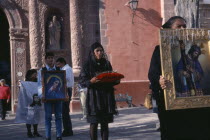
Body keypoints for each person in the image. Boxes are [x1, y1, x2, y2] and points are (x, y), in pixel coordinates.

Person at [148, 16, 210, 140]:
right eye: (178, 26)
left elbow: (202, 72)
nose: (182, 29)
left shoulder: (198, 52)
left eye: (184, 26)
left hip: (197, 106)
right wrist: (160, 81)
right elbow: (153, 74)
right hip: (174, 105)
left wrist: (195, 73)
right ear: (169, 29)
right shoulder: (160, 50)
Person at [79, 42, 119, 140]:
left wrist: (115, 80)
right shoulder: (87, 65)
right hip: (94, 97)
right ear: (93, 52)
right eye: (97, 51)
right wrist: (90, 81)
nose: (100, 53)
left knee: (105, 123)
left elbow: (110, 78)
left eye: (101, 50)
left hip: (106, 96)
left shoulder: (106, 63)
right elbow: (82, 81)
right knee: (94, 123)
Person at [38, 52, 63, 140]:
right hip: (47, 97)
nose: (50, 59)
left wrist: (65, 94)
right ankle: (48, 136)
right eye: (48, 58)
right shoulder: (42, 71)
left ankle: (59, 135)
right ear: (45, 59)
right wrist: (42, 96)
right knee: (48, 117)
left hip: (58, 96)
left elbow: (63, 83)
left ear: (54, 59)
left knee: (59, 116)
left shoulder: (59, 70)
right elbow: (39, 85)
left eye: (52, 58)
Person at [56, 57, 74, 137]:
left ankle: (68, 130)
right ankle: (67, 129)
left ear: (62, 62)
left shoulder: (66, 69)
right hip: (65, 90)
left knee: (65, 111)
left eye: (58, 64)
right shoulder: (66, 68)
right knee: (64, 111)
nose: (58, 66)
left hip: (66, 90)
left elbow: (66, 79)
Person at [24, 69, 42, 138]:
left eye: (36, 73)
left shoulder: (37, 81)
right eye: (34, 73)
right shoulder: (26, 82)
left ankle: (35, 131)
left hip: (36, 100)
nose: (35, 75)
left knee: (36, 117)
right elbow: (24, 93)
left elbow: (39, 90)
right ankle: (29, 132)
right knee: (29, 117)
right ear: (30, 74)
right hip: (29, 102)